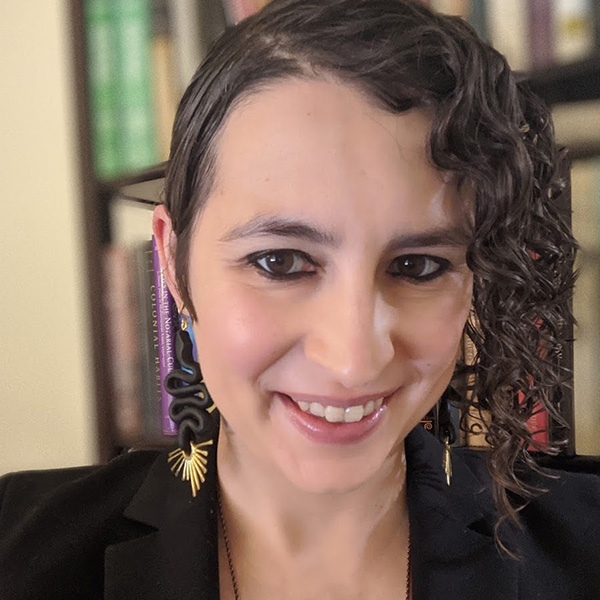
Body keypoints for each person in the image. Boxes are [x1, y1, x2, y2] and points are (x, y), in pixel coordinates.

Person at [1, 0, 599, 598]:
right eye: (280, 262)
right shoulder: (18, 549)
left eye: (417, 266)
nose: (353, 360)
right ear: (174, 266)